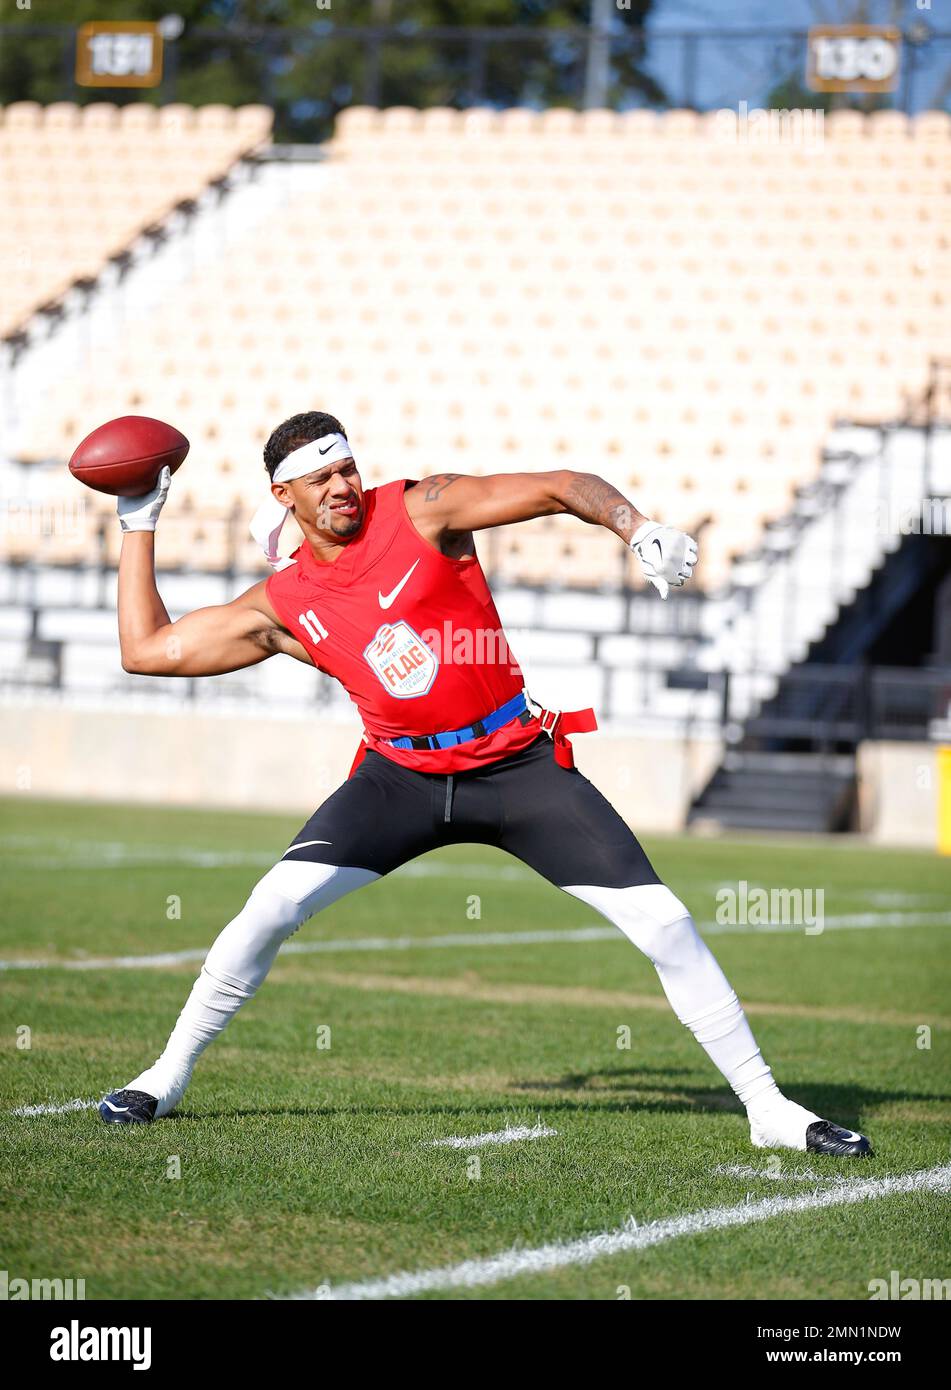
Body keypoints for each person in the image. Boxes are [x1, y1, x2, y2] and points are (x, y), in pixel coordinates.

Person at [100, 410, 871, 1158]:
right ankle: (164, 1077)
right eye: (320, 477)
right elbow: (148, 650)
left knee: (665, 924)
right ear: (284, 497)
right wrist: (139, 520)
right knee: (271, 905)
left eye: (347, 468)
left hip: (515, 767)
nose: (342, 485)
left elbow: (563, 484)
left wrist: (637, 527)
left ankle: (767, 1107)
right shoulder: (287, 602)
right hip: (397, 777)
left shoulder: (422, 509)